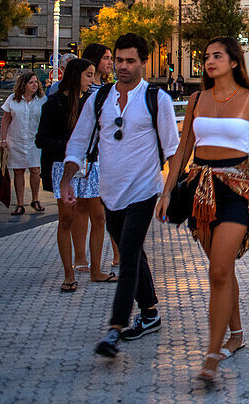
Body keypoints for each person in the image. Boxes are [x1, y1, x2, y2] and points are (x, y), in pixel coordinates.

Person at [158, 36, 249, 385]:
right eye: (206, 56)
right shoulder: (196, 100)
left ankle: (210, 358)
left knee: (219, 270)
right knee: (221, 269)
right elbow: (182, 150)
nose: (209, 61)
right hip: (200, 190)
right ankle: (235, 334)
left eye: (217, 56)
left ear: (234, 61)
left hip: (237, 189)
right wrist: (166, 190)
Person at [59, 33, 180, 358]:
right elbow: (78, 142)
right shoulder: (99, 100)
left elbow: (173, 151)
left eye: (130, 61)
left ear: (142, 62)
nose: (122, 67)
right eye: (119, 60)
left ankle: (115, 329)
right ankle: (151, 312)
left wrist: (169, 193)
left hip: (144, 191)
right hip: (110, 194)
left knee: (127, 255)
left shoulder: (158, 99)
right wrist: (67, 181)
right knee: (134, 253)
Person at [37, 58, 114, 291]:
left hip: (90, 165)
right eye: (88, 75)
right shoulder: (53, 104)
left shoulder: (91, 103)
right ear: (75, 75)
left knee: (99, 217)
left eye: (93, 75)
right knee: (66, 219)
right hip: (63, 166)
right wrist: (70, 146)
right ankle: (68, 274)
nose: (92, 80)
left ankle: (96, 270)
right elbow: (41, 139)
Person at [82, 42, 121, 277]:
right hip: (91, 159)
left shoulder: (109, 88)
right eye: (106, 58)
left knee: (111, 210)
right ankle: (84, 261)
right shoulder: (85, 91)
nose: (110, 63)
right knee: (94, 214)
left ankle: (117, 256)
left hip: (109, 157)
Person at [0, 72, 45, 215]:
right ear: (23, 84)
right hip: (16, 140)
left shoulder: (42, 100)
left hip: (34, 141)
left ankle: (35, 199)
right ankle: (20, 203)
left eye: (36, 82)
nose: (35, 85)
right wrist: (3, 140)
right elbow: (6, 119)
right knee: (18, 171)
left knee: (35, 170)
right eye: (31, 82)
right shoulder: (13, 99)